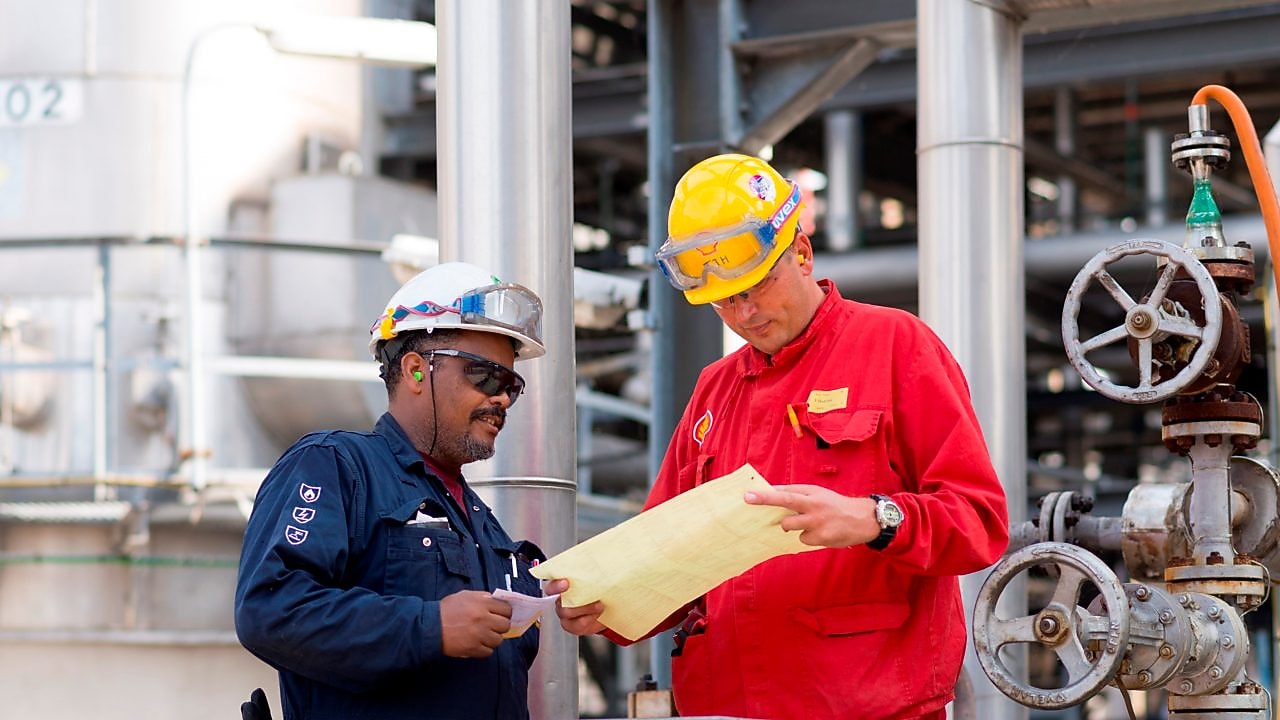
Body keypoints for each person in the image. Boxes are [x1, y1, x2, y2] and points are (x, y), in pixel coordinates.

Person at [547, 154, 1010, 720]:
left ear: (802, 253)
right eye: (724, 300)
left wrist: (874, 519)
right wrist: (608, 604)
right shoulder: (714, 390)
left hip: (866, 708)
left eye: (758, 285)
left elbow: (979, 522)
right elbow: (662, 556)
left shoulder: (896, 346)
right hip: (724, 707)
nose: (745, 313)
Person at [235, 261, 548, 720]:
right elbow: (269, 608)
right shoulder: (336, 466)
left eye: (511, 386)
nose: (501, 398)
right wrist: (431, 626)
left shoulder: (488, 529)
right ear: (417, 370)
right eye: (485, 377)